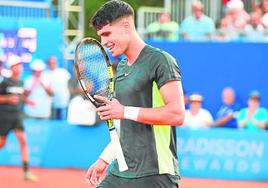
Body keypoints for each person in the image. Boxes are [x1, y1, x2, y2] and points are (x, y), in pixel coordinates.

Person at [85, 1, 185, 188]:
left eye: (107, 33)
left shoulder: (161, 60)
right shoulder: (122, 67)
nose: (103, 43)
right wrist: (105, 159)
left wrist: (123, 111)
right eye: (100, 36)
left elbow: (177, 114)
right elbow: (126, 126)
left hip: (155, 173)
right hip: (121, 171)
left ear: (126, 26)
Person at [0, 55, 38, 181]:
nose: (20, 67)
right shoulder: (4, 82)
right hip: (4, 117)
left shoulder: (21, 82)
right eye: (17, 65)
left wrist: (27, 101)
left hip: (17, 116)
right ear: (11, 68)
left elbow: (20, 97)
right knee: (2, 143)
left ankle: (26, 172)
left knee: (23, 141)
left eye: (20, 65)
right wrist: (7, 99)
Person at [43, 56, 71, 120]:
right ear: (48, 64)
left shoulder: (63, 72)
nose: (52, 64)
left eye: (53, 63)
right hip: (50, 105)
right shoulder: (45, 74)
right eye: (50, 63)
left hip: (63, 102)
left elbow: (70, 84)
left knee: (63, 122)